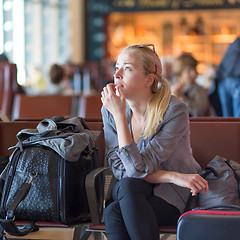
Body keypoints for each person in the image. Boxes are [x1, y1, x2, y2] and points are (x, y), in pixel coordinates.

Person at [100, 44, 208, 240]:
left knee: (114, 211)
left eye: (128, 68)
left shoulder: (174, 111)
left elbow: (135, 170)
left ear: (149, 79)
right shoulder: (111, 110)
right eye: (117, 67)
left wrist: (119, 117)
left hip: (171, 195)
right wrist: (173, 176)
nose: (117, 75)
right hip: (136, 188)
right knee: (127, 186)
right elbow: (120, 168)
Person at [171, 53, 211, 117]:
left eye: (195, 70)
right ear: (180, 72)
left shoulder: (200, 90)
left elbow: (199, 113)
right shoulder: (170, 89)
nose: (194, 74)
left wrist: (182, 99)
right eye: (189, 70)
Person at [209, 37, 240, 117]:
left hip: (222, 80)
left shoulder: (236, 41)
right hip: (236, 79)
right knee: (237, 120)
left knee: (227, 120)